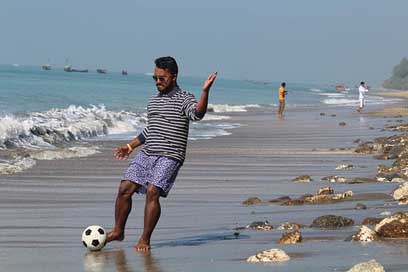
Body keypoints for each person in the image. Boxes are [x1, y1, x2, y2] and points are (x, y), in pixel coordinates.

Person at [107, 56, 218, 251]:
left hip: (170, 155)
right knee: (125, 188)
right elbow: (150, 130)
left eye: (162, 78)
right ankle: (118, 231)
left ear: (173, 77)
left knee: (152, 191)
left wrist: (205, 91)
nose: (158, 82)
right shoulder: (153, 102)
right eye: (155, 78)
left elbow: (197, 114)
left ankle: (145, 239)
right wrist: (130, 146)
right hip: (148, 153)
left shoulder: (185, 98)